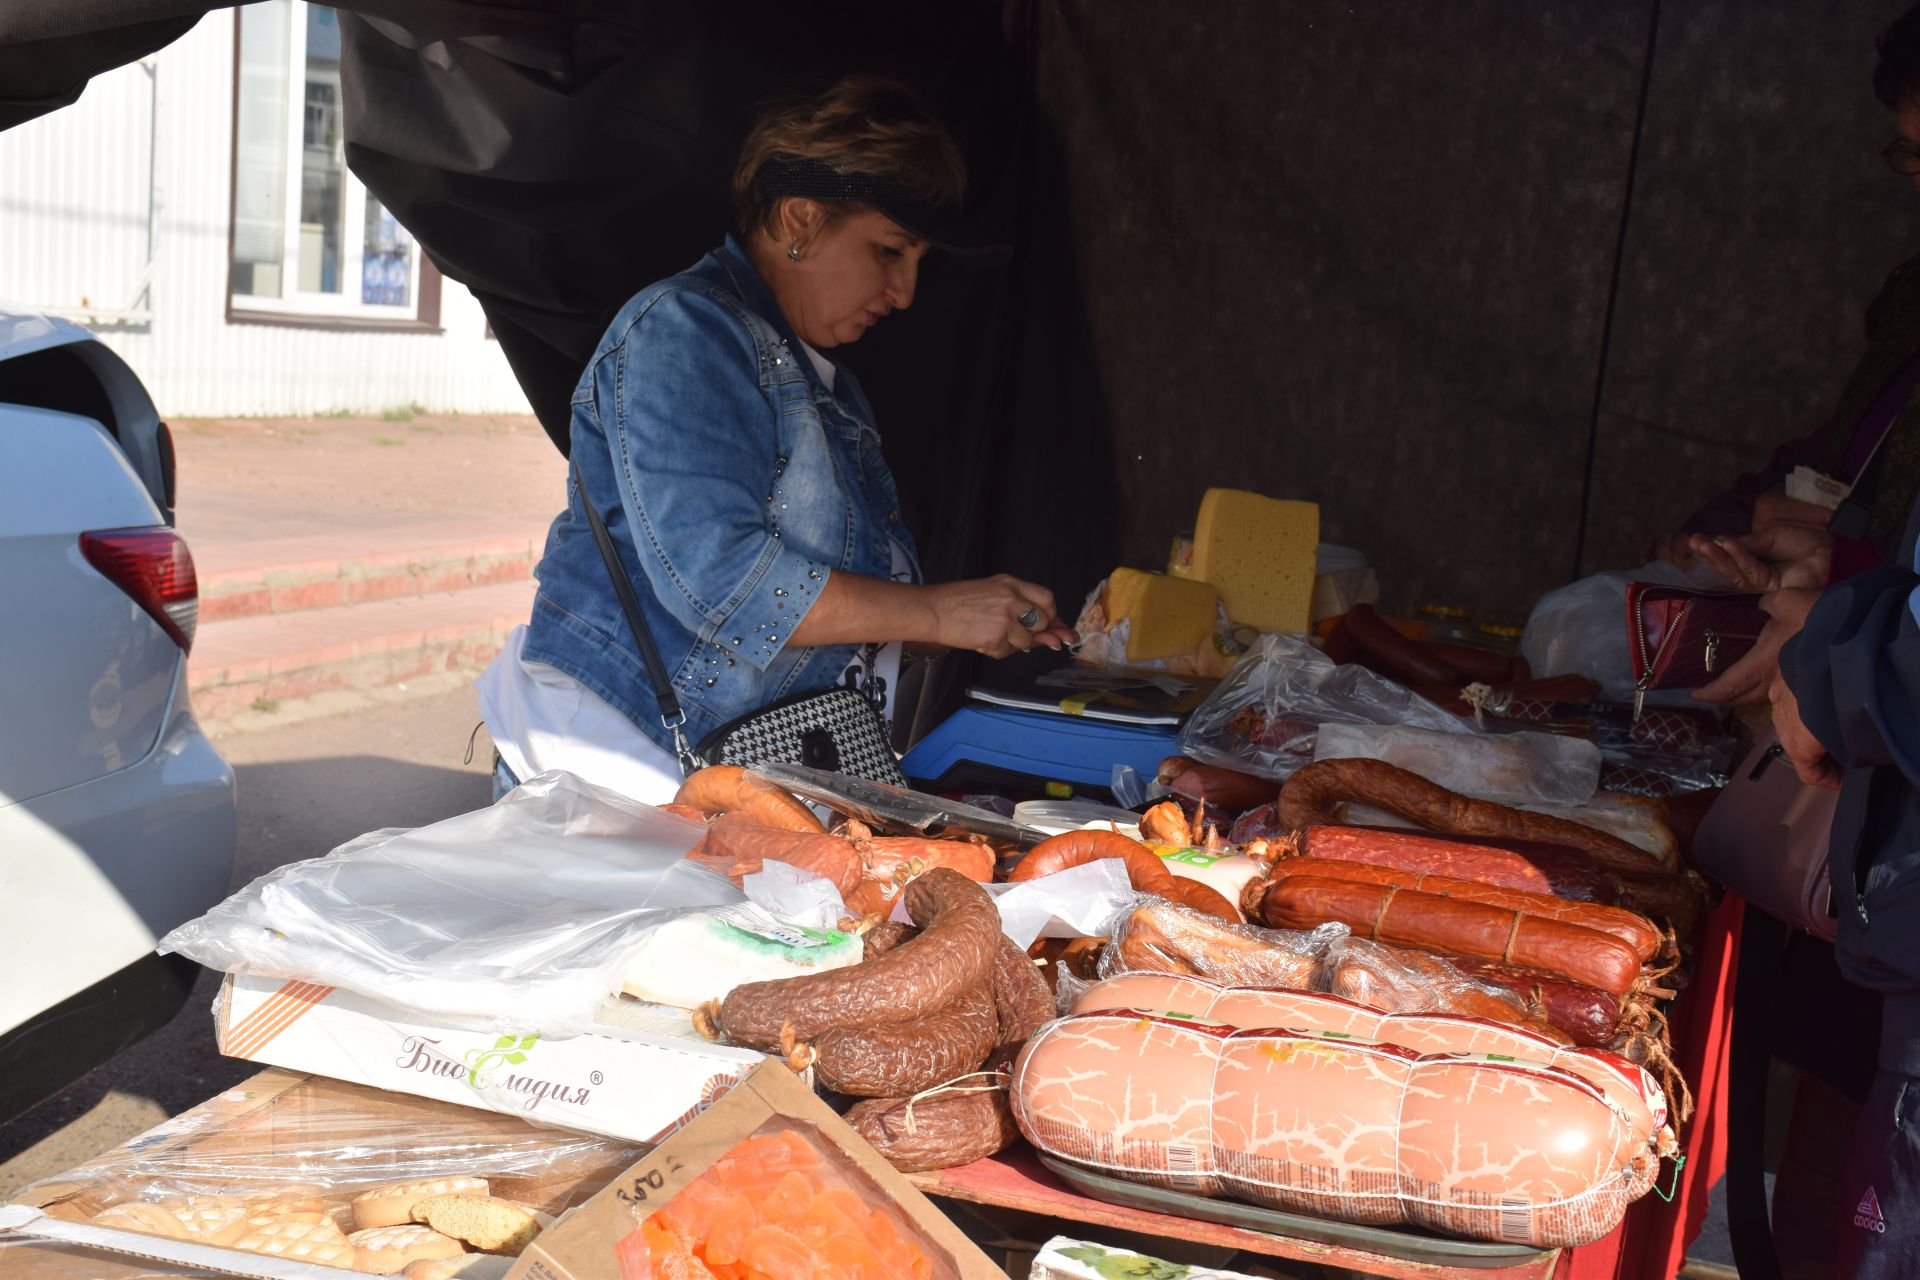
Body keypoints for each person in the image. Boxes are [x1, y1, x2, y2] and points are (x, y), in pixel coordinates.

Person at [478, 75, 1073, 803]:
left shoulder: (827, 385)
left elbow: (840, 618)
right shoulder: (683, 331)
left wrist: (963, 621)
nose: (907, 291)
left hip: (734, 785)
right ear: (799, 220)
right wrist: (938, 611)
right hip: (612, 774)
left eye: (919, 262)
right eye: (890, 251)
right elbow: (725, 584)